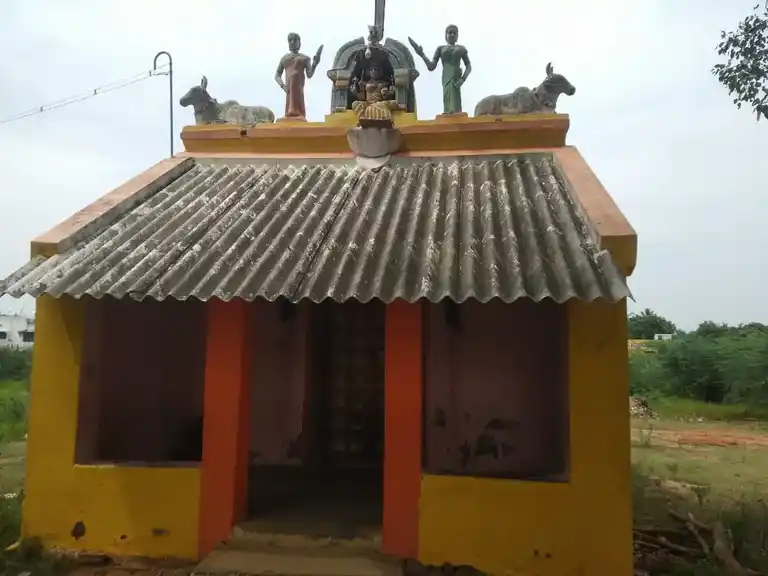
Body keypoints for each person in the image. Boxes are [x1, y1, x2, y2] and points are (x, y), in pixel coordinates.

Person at [410, 24, 472, 115]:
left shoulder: (461, 49)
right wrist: (421, 54)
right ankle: (449, 114)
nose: (452, 35)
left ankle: (455, 114)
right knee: (447, 98)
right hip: (446, 77)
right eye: (449, 32)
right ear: (445, 35)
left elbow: (469, 66)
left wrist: (463, 79)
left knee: (455, 99)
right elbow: (431, 66)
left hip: (456, 78)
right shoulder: (441, 49)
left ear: (457, 36)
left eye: (454, 33)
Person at [274, 32, 323, 119]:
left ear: (299, 43)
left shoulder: (305, 58)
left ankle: (298, 113)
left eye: (295, 40)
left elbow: (309, 74)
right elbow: (277, 75)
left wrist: (315, 64)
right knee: (290, 100)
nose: (292, 42)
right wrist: (282, 85)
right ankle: (290, 113)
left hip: (298, 86)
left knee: (298, 98)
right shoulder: (285, 58)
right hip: (288, 87)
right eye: (290, 40)